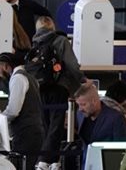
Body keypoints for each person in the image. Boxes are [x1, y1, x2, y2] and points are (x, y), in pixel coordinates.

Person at [30, 16, 87, 170]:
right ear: (52, 26)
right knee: (56, 125)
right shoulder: (61, 40)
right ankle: (44, 160)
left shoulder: (35, 42)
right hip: (58, 86)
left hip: (40, 87)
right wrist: (82, 81)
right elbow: (72, 65)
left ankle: (53, 160)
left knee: (47, 125)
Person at [0, 52, 44, 170]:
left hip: (26, 132)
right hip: (34, 130)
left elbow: (13, 111)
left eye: (0, 70)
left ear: (6, 66)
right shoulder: (30, 77)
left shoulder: (17, 78)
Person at [75, 83, 126, 148]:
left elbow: (123, 148)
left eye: (83, 104)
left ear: (94, 101)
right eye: (79, 105)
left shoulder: (116, 118)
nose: (80, 109)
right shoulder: (80, 114)